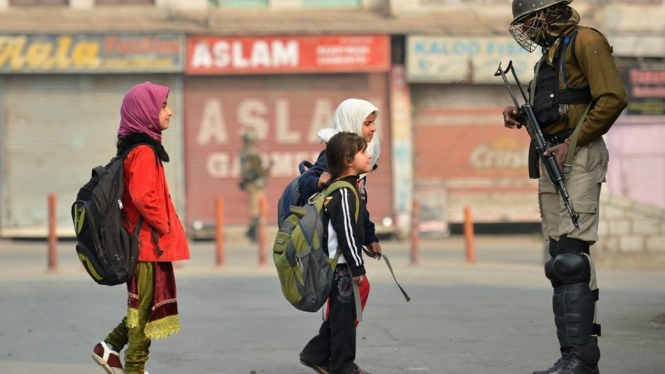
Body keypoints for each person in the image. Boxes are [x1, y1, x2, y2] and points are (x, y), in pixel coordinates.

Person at [503, 1, 627, 374]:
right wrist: (522, 115)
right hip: (552, 158)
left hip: (579, 155)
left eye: (527, 20)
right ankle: (572, 355)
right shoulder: (548, 58)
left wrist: (571, 144)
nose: (525, 30)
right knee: (558, 264)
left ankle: (582, 359)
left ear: (546, 12)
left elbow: (612, 98)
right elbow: (559, 106)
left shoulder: (585, 40)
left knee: (572, 260)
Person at [91, 81, 190, 374]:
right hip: (146, 243)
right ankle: (134, 368)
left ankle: (107, 348)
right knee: (144, 311)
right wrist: (165, 225)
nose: (169, 112)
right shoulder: (144, 151)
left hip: (145, 243)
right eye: (163, 106)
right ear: (145, 111)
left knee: (143, 306)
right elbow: (144, 196)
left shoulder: (138, 148)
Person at [298, 98, 383, 320]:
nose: (373, 128)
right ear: (353, 122)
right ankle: (331, 349)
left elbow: (359, 202)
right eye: (367, 123)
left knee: (347, 297)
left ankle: (328, 348)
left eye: (373, 122)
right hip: (333, 244)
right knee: (351, 294)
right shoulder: (335, 154)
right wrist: (319, 180)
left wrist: (370, 236)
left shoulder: (360, 154)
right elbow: (304, 183)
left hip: (345, 244)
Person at [299, 132, 373, 374]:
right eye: (363, 152)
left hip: (342, 265)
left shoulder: (351, 188)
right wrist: (356, 266)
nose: (369, 155)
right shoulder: (342, 192)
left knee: (342, 318)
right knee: (343, 322)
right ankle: (342, 367)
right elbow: (346, 234)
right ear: (349, 159)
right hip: (341, 267)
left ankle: (315, 353)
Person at [239, 132, 272, 242]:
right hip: (255, 184)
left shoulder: (243, 153)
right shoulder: (252, 154)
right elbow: (258, 170)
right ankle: (253, 233)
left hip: (250, 183)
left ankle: (253, 232)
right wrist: (267, 169)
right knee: (257, 209)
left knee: (255, 208)